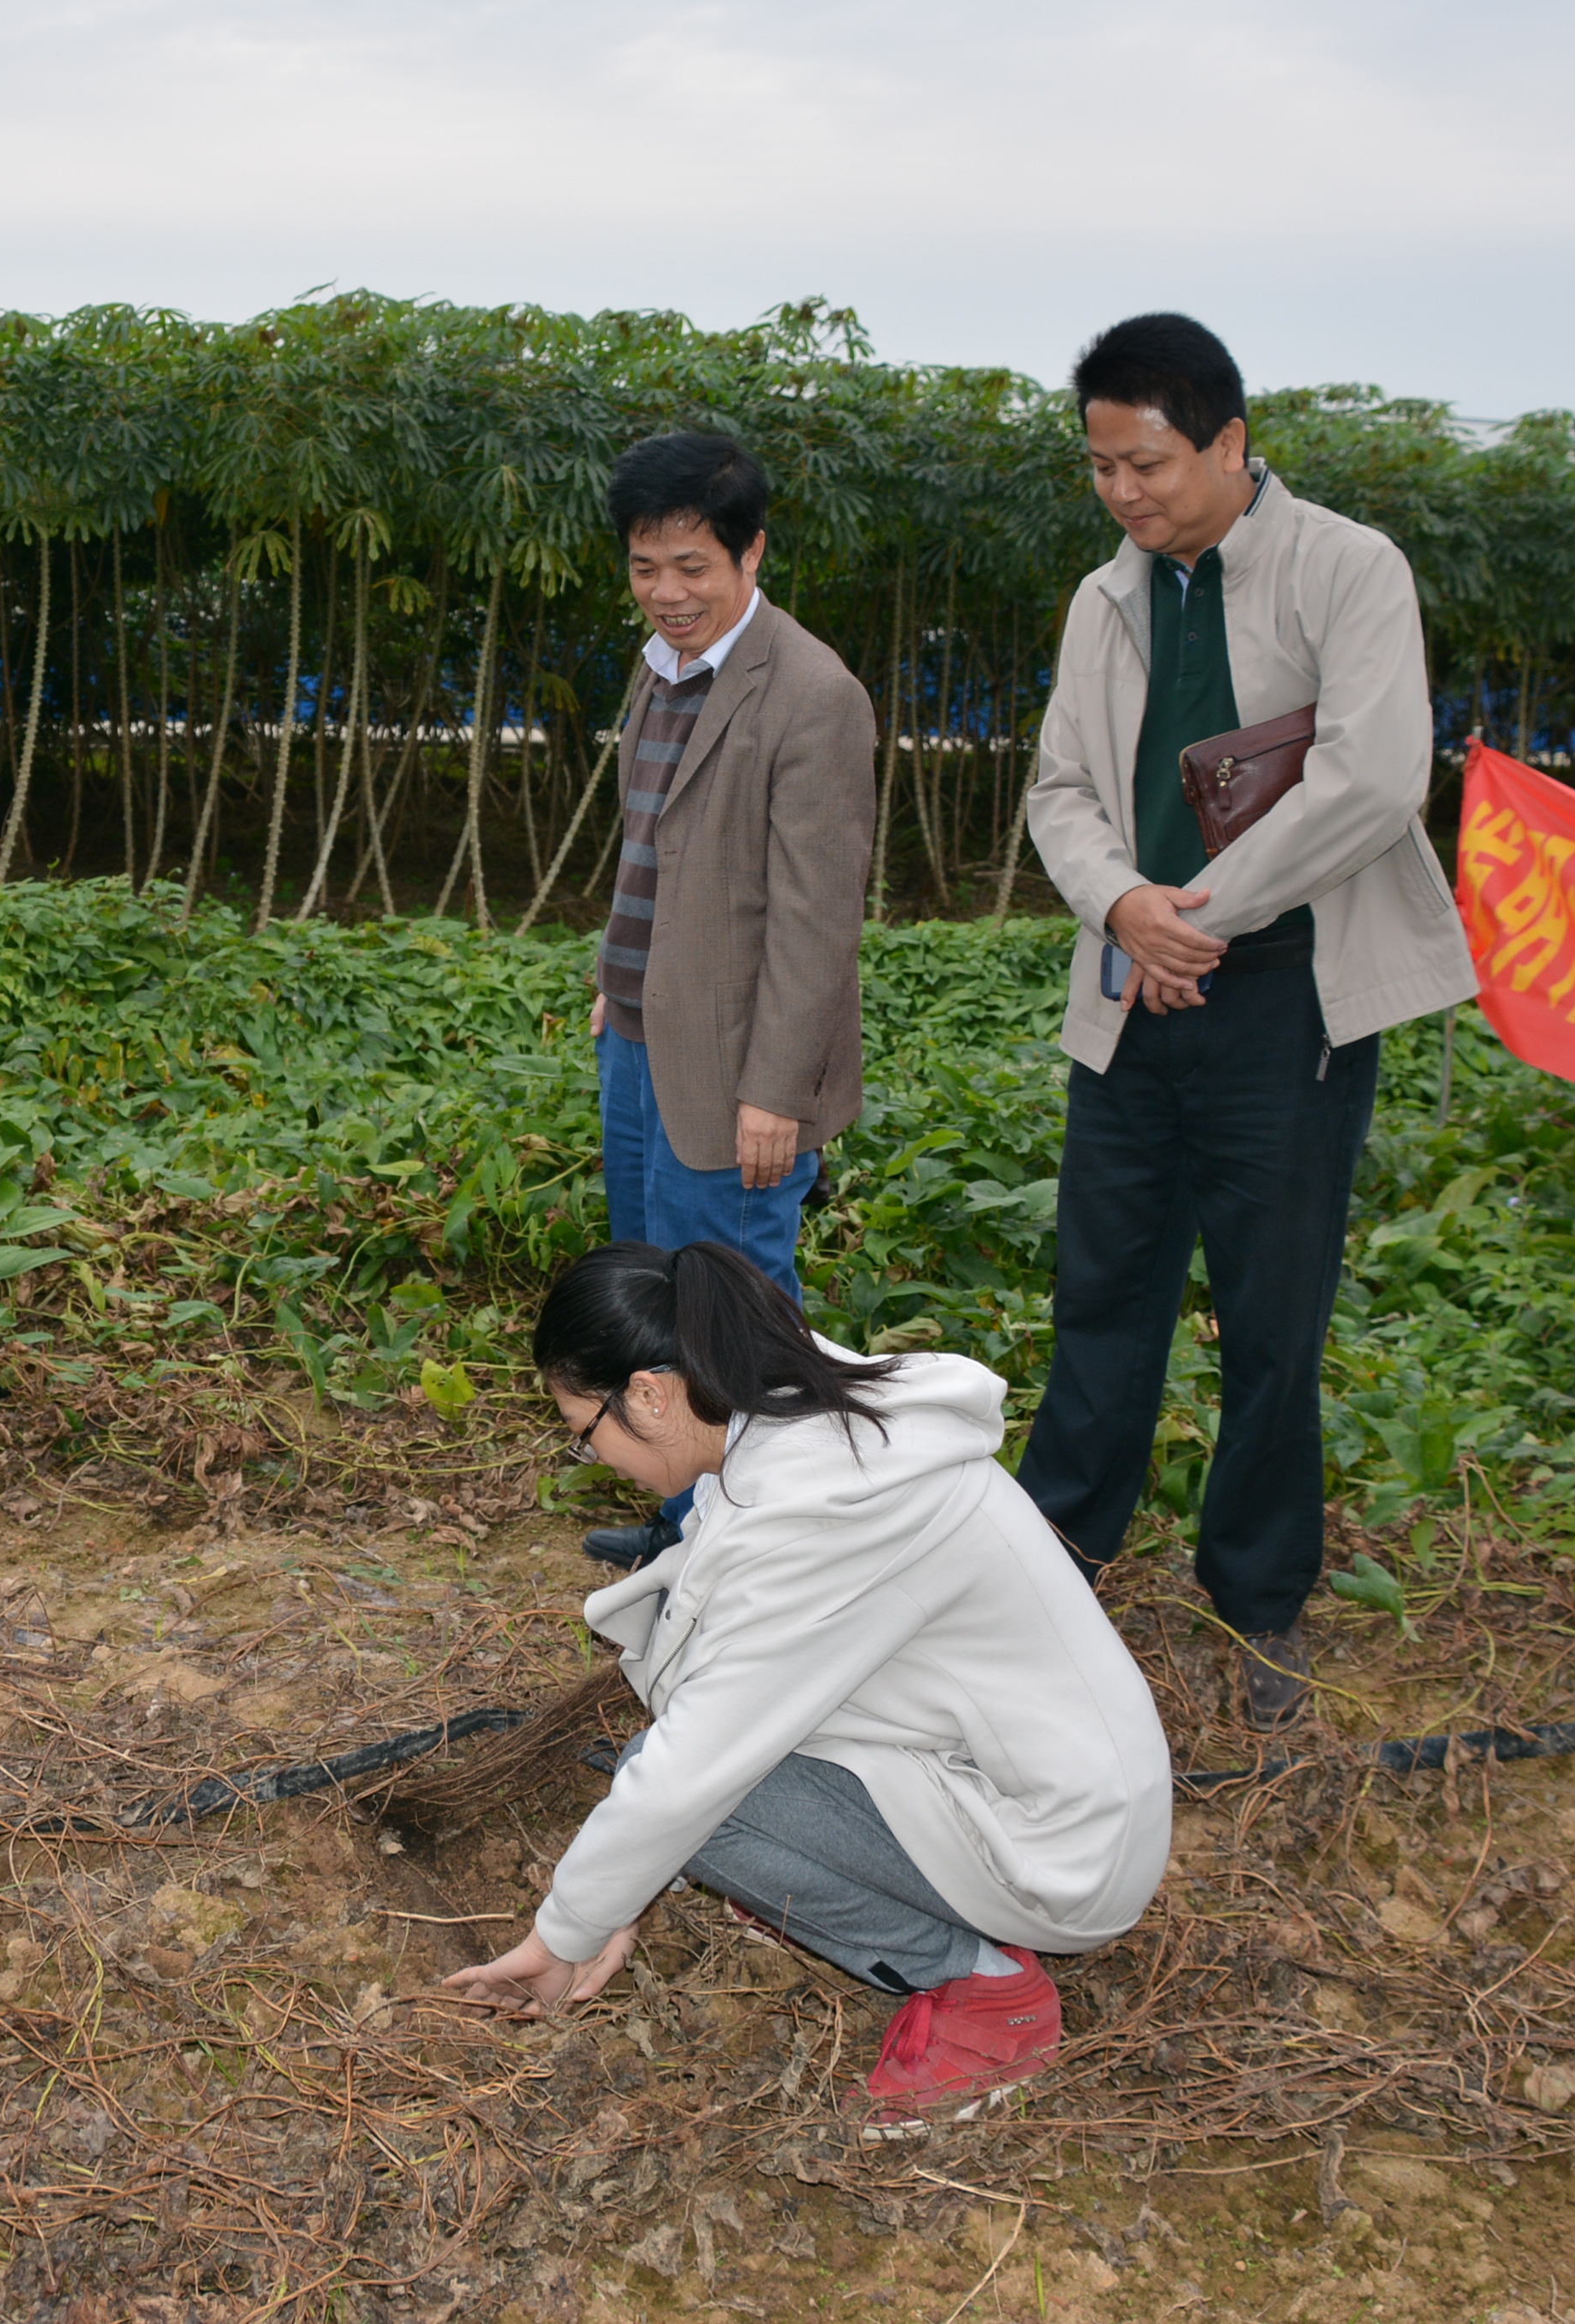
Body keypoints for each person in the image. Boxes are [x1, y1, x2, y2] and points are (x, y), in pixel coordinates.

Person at [1017, 314, 1476, 1728]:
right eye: (1101, 467)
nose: (1123, 493)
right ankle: (1053, 1564)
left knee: (1272, 1315)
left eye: (1146, 464)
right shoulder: (1106, 600)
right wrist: (1125, 906)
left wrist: (1196, 916)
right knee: (1103, 1290)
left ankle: (1260, 1598)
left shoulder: (1346, 568)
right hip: (1134, 990)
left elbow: (1372, 778)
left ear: (1227, 442)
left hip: (1288, 997)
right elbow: (1059, 792)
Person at [441, 1242, 1172, 2110]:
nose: (593, 1458)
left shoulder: (827, 1506)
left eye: (582, 1434)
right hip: (1022, 1775)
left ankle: (983, 1989)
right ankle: (852, 1883)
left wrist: (564, 1934)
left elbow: (689, 1774)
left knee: (706, 1807)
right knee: (690, 1786)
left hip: (1061, 1848)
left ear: (648, 1395)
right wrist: (625, 1886)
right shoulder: (797, 1417)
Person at [580, 433, 877, 1573]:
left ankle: (773, 1552)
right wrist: (616, 979)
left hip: (741, 1068)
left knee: (735, 1311)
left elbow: (816, 918)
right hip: (641, 1039)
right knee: (657, 1297)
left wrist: (777, 1092)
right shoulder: (660, 670)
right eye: (645, 566)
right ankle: (686, 1524)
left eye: (692, 566)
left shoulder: (811, 695)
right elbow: (650, 846)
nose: (667, 592)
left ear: (752, 554)